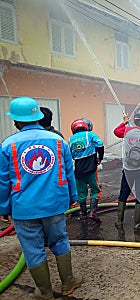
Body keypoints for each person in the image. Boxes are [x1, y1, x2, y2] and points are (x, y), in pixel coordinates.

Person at [0, 97, 83, 299]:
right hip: (54, 204)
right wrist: (73, 197)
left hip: (24, 208)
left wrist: (3, 209)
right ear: (37, 117)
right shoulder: (58, 141)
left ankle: (45, 293)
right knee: (60, 241)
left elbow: (3, 181)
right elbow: (69, 173)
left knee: (33, 249)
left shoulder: (7, 145)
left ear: (16, 121)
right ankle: (68, 283)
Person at [113, 112, 140, 241]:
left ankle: (119, 221)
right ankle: (137, 224)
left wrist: (125, 122)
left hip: (127, 170)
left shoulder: (126, 131)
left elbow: (116, 131)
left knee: (123, 194)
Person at [69, 119, 104, 222]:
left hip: (78, 171)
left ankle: (84, 215)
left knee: (81, 193)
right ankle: (93, 212)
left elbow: (69, 154)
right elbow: (100, 144)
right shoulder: (90, 134)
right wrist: (99, 157)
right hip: (91, 169)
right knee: (95, 190)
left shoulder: (71, 139)